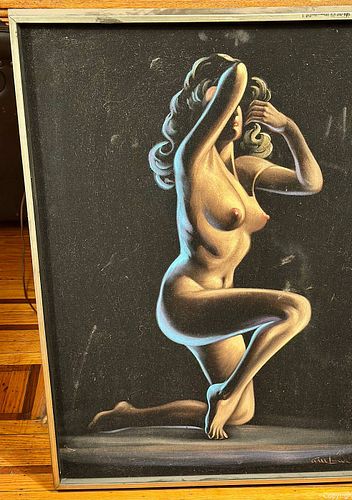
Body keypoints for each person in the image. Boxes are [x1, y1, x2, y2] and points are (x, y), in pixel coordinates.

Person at [89, 53, 323, 440]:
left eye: (235, 108)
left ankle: (127, 417)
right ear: (207, 111)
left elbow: (310, 183)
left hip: (218, 302)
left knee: (242, 415)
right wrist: (216, 88)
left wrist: (288, 128)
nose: (233, 113)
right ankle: (224, 393)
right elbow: (237, 74)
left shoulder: (245, 170)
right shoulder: (192, 163)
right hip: (186, 301)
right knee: (295, 309)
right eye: (222, 105)